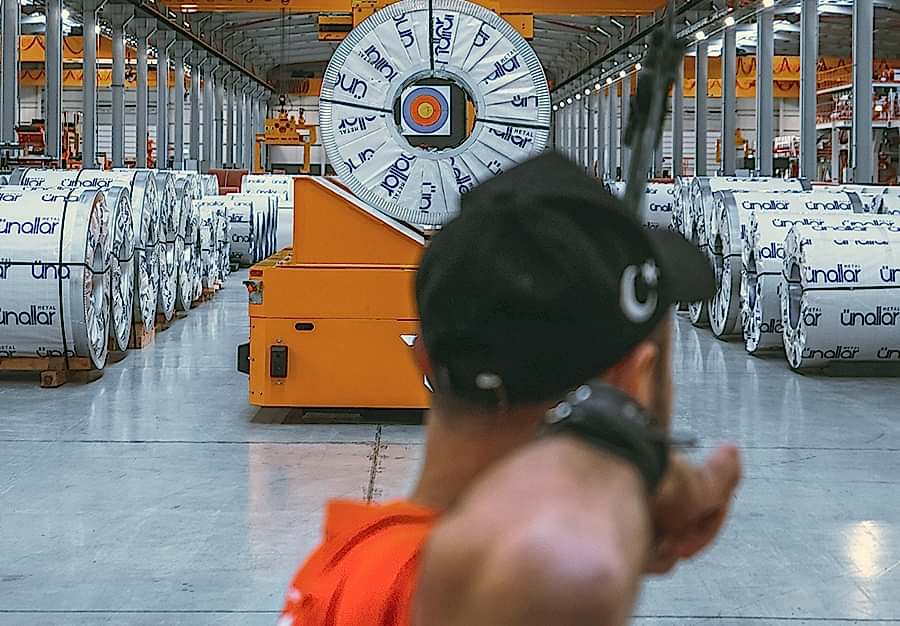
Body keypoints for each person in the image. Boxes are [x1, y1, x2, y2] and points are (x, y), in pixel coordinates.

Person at [278, 153, 742, 626]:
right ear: (635, 383)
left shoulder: (349, 572)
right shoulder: (470, 596)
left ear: (424, 357)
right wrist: (626, 452)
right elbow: (560, 573)